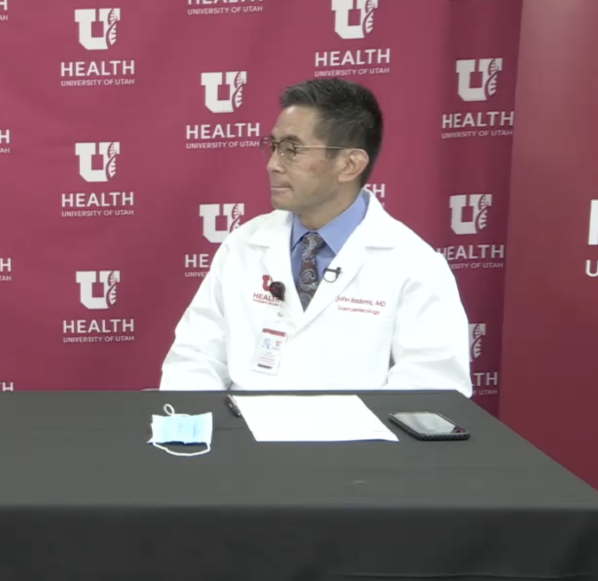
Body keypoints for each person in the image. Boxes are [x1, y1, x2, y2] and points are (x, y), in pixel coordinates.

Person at [159, 78, 471, 396]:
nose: (272, 164)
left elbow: (431, 389)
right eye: (274, 146)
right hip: (241, 424)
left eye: (291, 150)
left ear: (349, 165)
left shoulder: (415, 265)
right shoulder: (242, 245)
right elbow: (194, 358)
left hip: (357, 429)